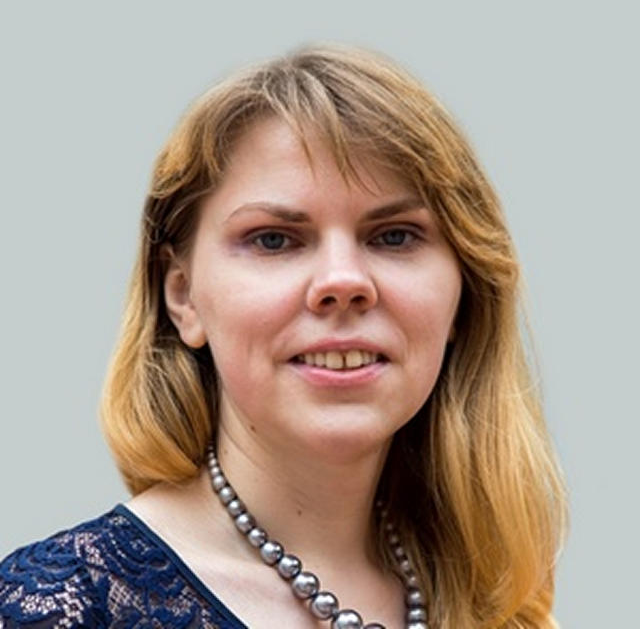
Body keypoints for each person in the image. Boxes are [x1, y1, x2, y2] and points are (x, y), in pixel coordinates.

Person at [0, 44, 567, 628]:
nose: (343, 282)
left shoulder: (501, 600)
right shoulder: (64, 607)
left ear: (463, 298)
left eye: (394, 236)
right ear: (184, 296)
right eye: (274, 239)